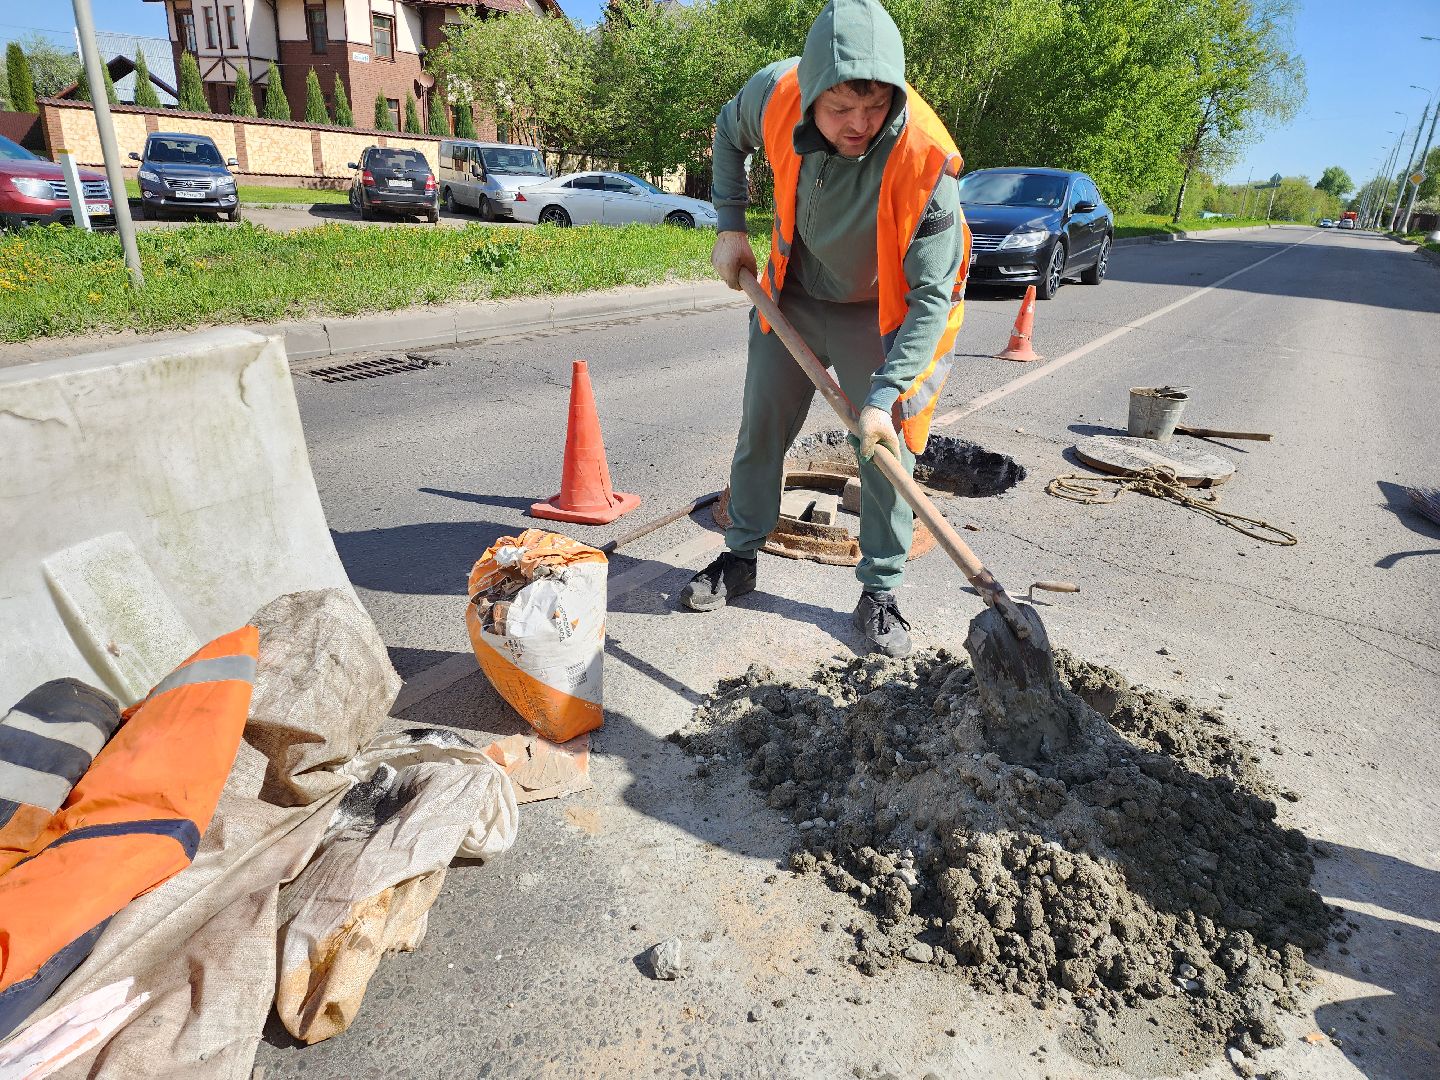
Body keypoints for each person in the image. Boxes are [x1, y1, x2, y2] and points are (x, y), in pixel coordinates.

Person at [679, 0, 971, 658]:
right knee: (762, 431)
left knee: (886, 450)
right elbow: (729, 132)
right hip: (793, 297)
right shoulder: (777, 93)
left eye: (875, 109)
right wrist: (729, 224)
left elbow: (929, 297)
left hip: (879, 311)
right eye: (841, 109)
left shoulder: (927, 164)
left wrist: (882, 396)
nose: (861, 126)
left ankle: (880, 592)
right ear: (812, 90)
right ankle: (741, 556)